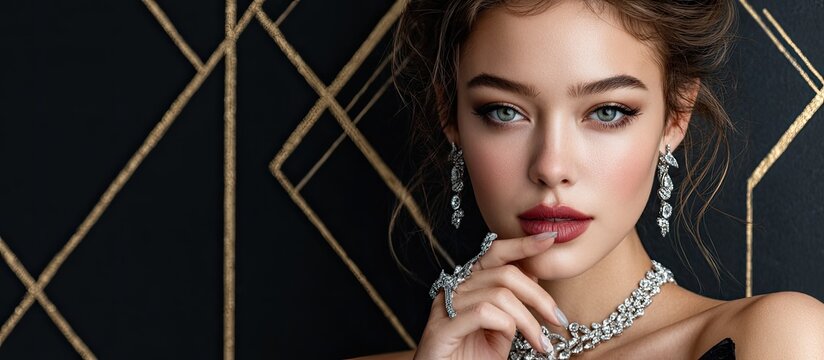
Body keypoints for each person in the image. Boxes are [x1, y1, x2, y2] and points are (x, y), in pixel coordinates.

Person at [358, 0, 824, 358]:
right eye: (504, 111)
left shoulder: (777, 338)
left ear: (675, 115)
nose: (551, 167)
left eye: (607, 112)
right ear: (451, 114)